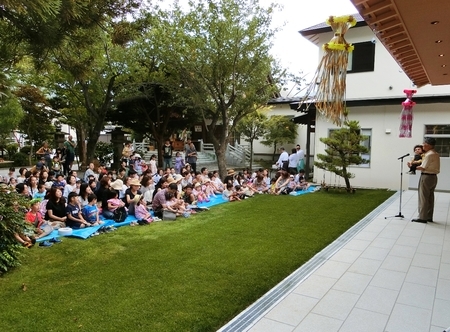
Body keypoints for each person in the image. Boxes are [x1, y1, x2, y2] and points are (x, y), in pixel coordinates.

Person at [412, 137, 440, 224]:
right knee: (430, 197)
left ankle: (422, 217)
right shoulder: (435, 153)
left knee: (423, 197)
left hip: (426, 177)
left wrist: (412, 166)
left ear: (427, 145)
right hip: (434, 177)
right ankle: (429, 216)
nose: (422, 145)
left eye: (424, 144)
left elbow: (422, 167)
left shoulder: (429, 155)